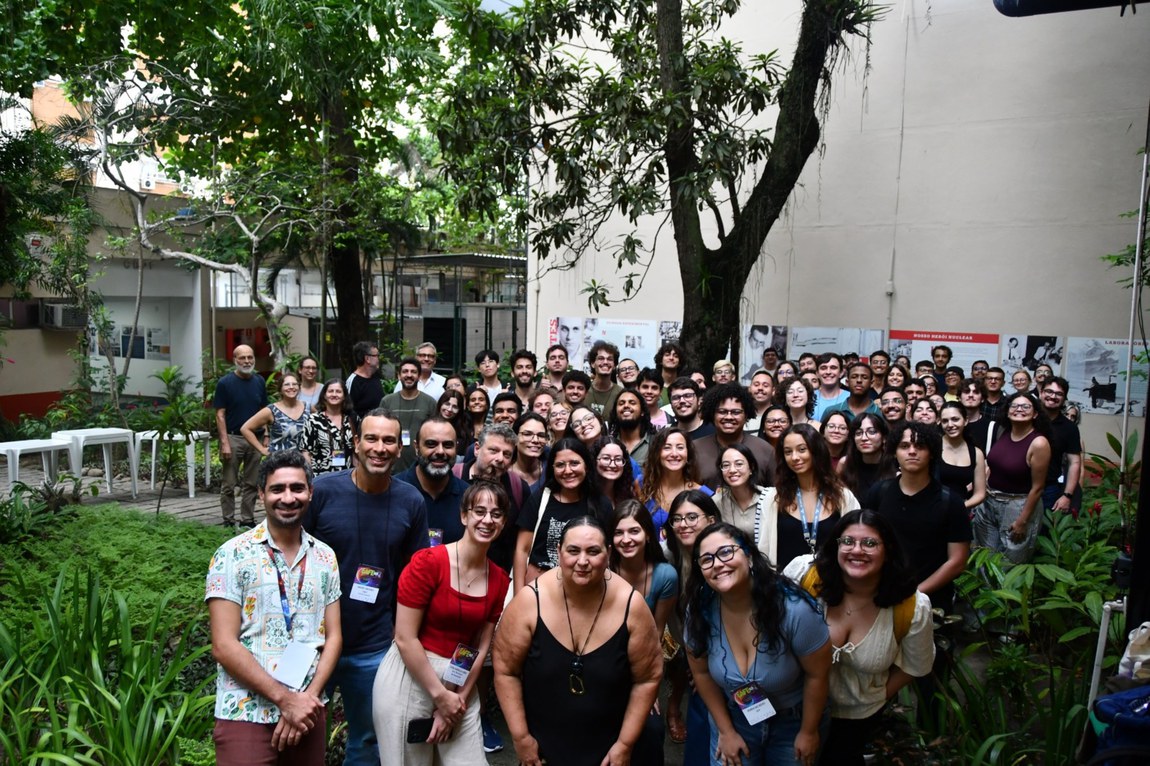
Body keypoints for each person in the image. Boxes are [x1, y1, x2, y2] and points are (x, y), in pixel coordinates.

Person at [303, 408, 429, 766]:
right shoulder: (323, 492)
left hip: (373, 645)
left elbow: (413, 577)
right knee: (303, 733)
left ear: (400, 446)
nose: (380, 447)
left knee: (368, 740)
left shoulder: (410, 502)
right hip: (313, 641)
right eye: (371, 438)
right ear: (355, 443)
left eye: (389, 439)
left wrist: (400, 634)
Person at [206, 449, 342, 765]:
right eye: (278, 489)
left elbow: (334, 637)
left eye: (297, 488)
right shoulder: (232, 555)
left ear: (310, 492)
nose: (288, 497)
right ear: (263, 494)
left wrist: (305, 701)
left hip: (308, 710)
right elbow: (223, 645)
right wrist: (285, 700)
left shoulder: (325, 557)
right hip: (246, 712)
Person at [493, 517, 663, 766]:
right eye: (573, 550)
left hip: (612, 747)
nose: (582, 561)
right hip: (544, 746)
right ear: (559, 552)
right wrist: (520, 738)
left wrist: (625, 745)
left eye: (593, 551)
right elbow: (506, 672)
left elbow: (647, 678)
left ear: (608, 554)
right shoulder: (530, 602)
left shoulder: (631, 605)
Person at [371, 480, 511, 765]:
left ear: (504, 522)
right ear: (464, 516)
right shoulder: (428, 563)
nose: (487, 520)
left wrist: (455, 701)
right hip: (411, 676)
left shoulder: (498, 579)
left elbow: (481, 646)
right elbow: (404, 637)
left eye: (496, 514)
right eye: (479, 511)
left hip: (459, 682)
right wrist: (439, 696)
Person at [782, 510, 935, 766]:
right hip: (793, 708)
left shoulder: (911, 606)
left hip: (857, 718)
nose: (857, 550)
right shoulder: (804, 575)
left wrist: (877, 695)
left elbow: (916, 664)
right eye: (848, 541)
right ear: (836, 545)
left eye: (870, 543)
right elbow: (766, 622)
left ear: (888, 551)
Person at [683, 522, 832, 766]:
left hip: (794, 721)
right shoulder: (700, 610)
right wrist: (726, 731)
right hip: (735, 717)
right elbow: (700, 672)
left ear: (749, 556)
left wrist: (808, 731)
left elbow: (818, 675)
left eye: (725, 552)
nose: (717, 564)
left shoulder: (795, 610)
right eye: (706, 559)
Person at [865, 421, 971, 611]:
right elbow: (865, 541)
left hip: (930, 601)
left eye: (920, 446)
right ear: (895, 452)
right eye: (905, 446)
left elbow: (957, 561)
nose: (912, 451)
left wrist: (916, 594)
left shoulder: (951, 502)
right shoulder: (879, 492)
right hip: (880, 595)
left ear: (931, 453)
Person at [662, 490, 721, 752]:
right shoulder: (666, 554)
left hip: (721, 639)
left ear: (710, 519)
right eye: (677, 519)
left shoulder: (725, 553)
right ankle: (674, 708)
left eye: (691, 517)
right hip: (681, 632)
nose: (683, 524)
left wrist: (707, 667)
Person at [513, 438, 611, 591]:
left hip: (584, 591)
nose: (567, 470)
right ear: (552, 469)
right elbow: (522, 550)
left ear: (586, 466)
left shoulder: (601, 504)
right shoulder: (540, 499)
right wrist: (518, 594)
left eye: (574, 463)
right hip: (538, 589)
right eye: (560, 465)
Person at [765, 424, 860, 572]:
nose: (795, 457)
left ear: (816, 450)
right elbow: (764, 551)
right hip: (786, 588)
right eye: (788, 452)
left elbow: (856, 541)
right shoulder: (773, 498)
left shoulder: (843, 496)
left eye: (802, 449)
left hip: (832, 586)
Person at [975, 391, 1051, 564]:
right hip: (989, 502)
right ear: (1007, 411)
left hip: (1017, 506)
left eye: (1026, 406)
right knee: (986, 556)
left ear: (1035, 413)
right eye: (1014, 405)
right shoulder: (1004, 432)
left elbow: (1038, 487)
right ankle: (987, 591)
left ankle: (1005, 592)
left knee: (1010, 563)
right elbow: (992, 464)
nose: (1019, 409)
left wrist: (1022, 521)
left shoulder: (1038, 443)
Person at [214, 344, 269, 527]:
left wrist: (266, 435)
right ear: (234, 360)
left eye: (250, 357)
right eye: (242, 358)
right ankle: (228, 520)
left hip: (256, 438)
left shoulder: (259, 381)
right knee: (229, 484)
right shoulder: (225, 383)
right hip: (234, 438)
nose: (247, 361)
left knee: (251, 483)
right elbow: (220, 414)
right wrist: (225, 442)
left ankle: (247, 519)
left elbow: (264, 410)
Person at [395, 418, 470, 547]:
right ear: (417, 447)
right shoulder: (393, 491)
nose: (440, 451)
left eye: (448, 445)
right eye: (431, 444)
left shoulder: (469, 497)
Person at [694, 383, 777, 489]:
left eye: (736, 412)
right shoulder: (695, 449)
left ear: (746, 415)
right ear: (712, 414)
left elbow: (776, 495)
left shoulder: (765, 450)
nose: (729, 417)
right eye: (722, 411)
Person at [640, 427, 713, 533]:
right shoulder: (642, 485)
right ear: (657, 453)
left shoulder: (703, 493)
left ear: (688, 454)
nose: (674, 454)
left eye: (680, 447)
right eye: (667, 448)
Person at [382, 357, 439, 473]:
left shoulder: (430, 402)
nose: (409, 375)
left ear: (419, 376)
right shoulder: (387, 401)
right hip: (391, 466)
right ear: (399, 376)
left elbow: (435, 434)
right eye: (405, 371)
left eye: (413, 372)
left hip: (420, 467)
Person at [1038, 376, 1082, 515]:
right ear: (1041, 393)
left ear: (1064, 398)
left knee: (1043, 533)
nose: (1053, 396)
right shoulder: (1027, 418)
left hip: (1048, 489)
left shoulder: (1069, 428)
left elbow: (1074, 462)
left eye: (1058, 394)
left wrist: (1067, 495)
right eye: (1049, 391)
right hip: (1019, 487)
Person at [713, 442, 772, 545]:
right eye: (726, 465)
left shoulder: (769, 497)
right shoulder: (716, 502)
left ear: (751, 468)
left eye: (739, 464)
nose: (732, 470)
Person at [241, 372, 309, 457]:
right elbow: (245, 429)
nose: (291, 387)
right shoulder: (271, 410)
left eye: (294, 384)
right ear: (280, 389)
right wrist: (261, 449)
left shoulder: (308, 408)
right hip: (278, 463)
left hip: (302, 462)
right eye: (287, 384)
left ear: (299, 387)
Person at [938, 401, 987, 510]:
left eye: (955, 419)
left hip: (961, 513)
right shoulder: (933, 447)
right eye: (945, 421)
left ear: (966, 421)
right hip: (933, 511)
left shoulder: (976, 453)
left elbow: (980, 494)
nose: (950, 425)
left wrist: (959, 508)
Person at [301, 379, 356, 473]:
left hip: (347, 476)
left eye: (338, 391)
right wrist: (309, 477)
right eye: (330, 391)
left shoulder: (352, 419)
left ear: (344, 396)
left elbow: (356, 451)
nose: (334, 394)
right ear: (324, 396)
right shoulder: (313, 420)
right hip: (320, 477)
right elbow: (306, 452)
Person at [838, 413, 896, 500]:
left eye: (871, 432)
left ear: (884, 438)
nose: (864, 438)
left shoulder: (896, 466)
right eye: (858, 433)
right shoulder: (845, 464)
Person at [609, 388, 653, 464]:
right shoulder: (608, 444)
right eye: (621, 403)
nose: (626, 405)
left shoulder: (655, 443)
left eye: (632, 403)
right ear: (615, 413)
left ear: (642, 412)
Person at [594, 435, 639, 508]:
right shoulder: (584, 497)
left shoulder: (630, 495)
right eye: (606, 458)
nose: (612, 465)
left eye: (618, 459)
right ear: (594, 460)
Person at [511, 412, 549, 492]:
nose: (535, 440)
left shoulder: (551, 472)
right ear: (514, 438)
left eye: (541, 435)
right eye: (527, 434)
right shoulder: (503, 473)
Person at [347, 341, 385, 419]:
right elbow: (348, 411)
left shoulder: (375, 377)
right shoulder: (353, 381)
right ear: (367, 359)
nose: (378, 359)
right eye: (377, 356)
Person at [586, 340, 623, 416]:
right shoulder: (583, 391)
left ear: (614, 365)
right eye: (601, 358)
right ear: (592, 363)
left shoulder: (621, 393)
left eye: (609, 359)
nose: (605, 362)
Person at [812, 353, 848, 421]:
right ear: (817, 373)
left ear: (841, 373)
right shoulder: (809, 397)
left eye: (833, 368)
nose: (828, 372)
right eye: (823, 368)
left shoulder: (850, 398)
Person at [436, 389, 471, 454]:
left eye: (454, 407)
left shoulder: (463, 433)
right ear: (440, 404)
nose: (449, 409)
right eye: (447, 404)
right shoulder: (429, 426)